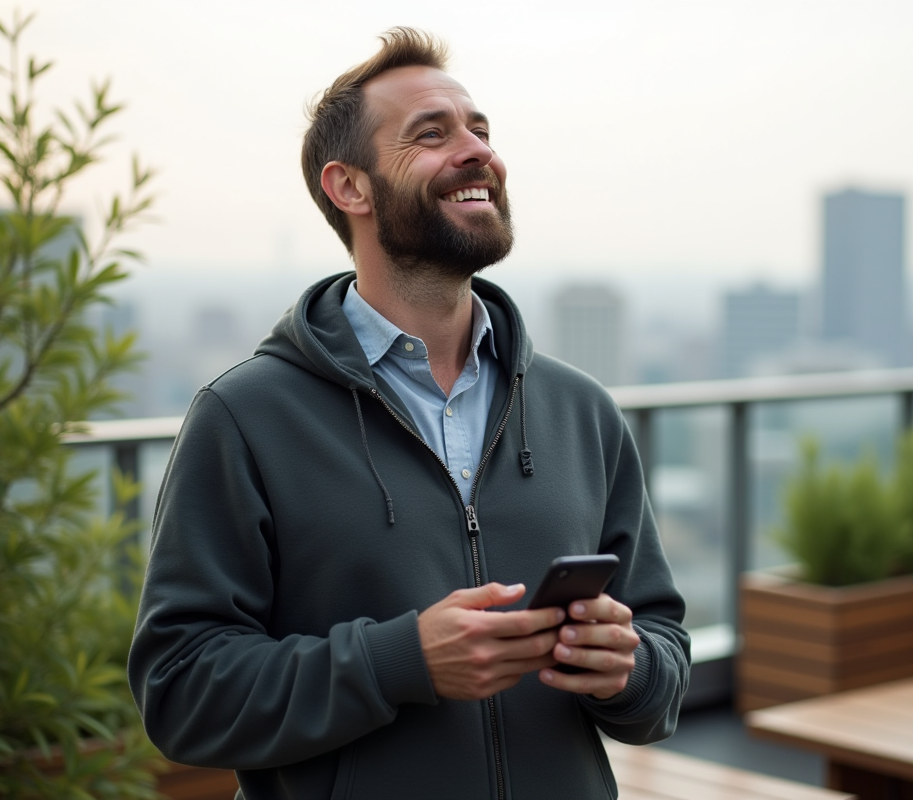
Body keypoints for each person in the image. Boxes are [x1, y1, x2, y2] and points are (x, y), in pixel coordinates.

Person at [128, 27, 689, 800]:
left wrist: (628, 670)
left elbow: (662, 656)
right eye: (432, 134)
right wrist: (402, 662)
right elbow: (182, 692)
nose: (477, 152)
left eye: (480, 131)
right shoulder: (244, 417)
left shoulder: (580, 410)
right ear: (349, 187)